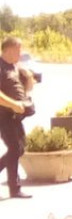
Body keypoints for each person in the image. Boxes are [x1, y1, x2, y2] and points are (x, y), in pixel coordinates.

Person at [0, 37, 31, 199]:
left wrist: (29, 81)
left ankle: (15, 189)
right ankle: (15, 188)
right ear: (9, 50)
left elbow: (21, 88)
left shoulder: (15, 67)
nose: (20, 53)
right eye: (18, 50)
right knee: (15, 148)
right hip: (3, 115)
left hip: (15, 115)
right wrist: (13, 104)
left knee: (20, 148)